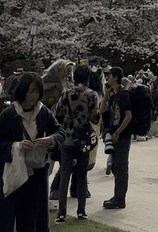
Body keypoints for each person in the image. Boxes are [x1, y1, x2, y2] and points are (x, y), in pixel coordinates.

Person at [0, 70, 65, 232]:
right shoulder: (8, 115)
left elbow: (60, 132)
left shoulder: (43, 112)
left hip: (35, 177)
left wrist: (51, 139)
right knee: (4, 220)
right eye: (30, 91)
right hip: (11, 174)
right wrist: (16, 147)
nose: (34, 96)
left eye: (37, 92)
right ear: (23, 90)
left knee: (33, 222)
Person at [53, 63, 100, 222]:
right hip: (83, 139)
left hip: (67, 138)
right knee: (82, 175)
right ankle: (81, 210)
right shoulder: (92, 95)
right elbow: (95, 118)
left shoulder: (66, 93)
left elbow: (58, 113)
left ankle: (61, 212)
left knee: (64, 174)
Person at [101, 66, 133, 210]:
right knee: (115, 166)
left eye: (109, 76)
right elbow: (102, 110)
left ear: (115, 77)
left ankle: (120, 199)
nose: (107, 78)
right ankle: (117, 196)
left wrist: (118, 133)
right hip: (114, 134)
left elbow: (128, 116)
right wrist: (105, 95)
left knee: (121, 166)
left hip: (122, 136)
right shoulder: (113, 94)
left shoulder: (124, 94)